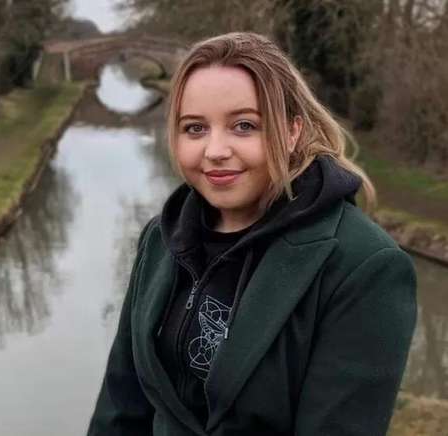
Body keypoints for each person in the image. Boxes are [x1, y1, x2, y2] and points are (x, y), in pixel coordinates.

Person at [87, 32, 417, 436]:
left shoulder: (364, 267)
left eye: (244, 125)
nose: (215, 150)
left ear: (293, 130)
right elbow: (121, 408)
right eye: (195, 128)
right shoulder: (161, 238)